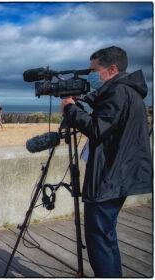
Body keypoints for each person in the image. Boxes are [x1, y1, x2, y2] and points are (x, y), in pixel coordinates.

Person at [61, 46, 152, 277]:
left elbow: (97, 128)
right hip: (118, 174)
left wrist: (70, 109)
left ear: (112, 69)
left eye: (94, 70)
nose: (91, 75)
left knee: (100, 240)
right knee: (106, 236)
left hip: (109, 178)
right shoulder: (127, 90)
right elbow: (109, 120)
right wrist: (83, 98)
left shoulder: (119, 92)